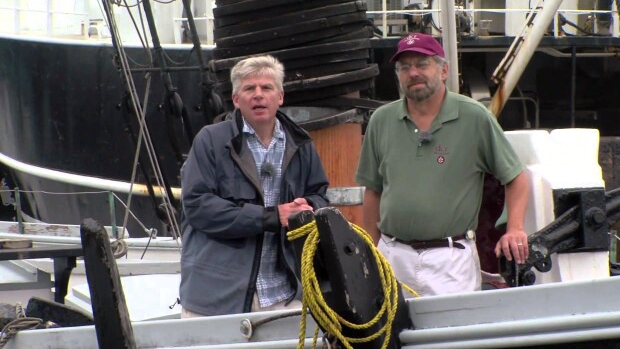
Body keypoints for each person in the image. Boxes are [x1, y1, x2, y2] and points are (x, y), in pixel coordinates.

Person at [355, 33, 530, 296]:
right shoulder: (381, 121)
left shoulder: (475, 118)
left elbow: (516, 178)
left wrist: (515, 228)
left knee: (451, 333)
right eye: (405, 67)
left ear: (444, 69)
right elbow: (374, 191)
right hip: (392, 256)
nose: (413, 73)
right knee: (388, 336)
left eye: (422, 64)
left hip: (450, 261)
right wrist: (370, 251)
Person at [179, 55, 329, 317]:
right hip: (217, 300)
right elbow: (198, 206)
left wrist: (308, 207)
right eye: (249, 89)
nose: (258, 95)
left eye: (267, 88)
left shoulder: (302, 145)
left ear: (280, 96)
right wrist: (271, 217)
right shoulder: (210, 141)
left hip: (285, 294)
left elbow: (320, 195)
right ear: (236, 100)